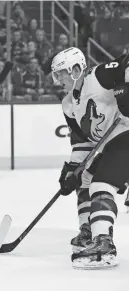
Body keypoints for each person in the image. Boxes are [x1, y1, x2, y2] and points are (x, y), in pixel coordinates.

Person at [51, 47, 129, 269]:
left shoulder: (99, 76)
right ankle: (89, 230)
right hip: (112, 143)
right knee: (84, 179)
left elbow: (125, 64)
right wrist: (72, 170)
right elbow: (82, 142)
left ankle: (104, 244)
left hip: (126, 134)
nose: (58, 80)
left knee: (101, 184)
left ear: (76, 69)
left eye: (60, 73)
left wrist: (126, 90)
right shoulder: (68, 104)